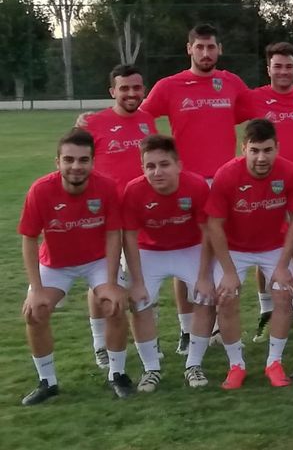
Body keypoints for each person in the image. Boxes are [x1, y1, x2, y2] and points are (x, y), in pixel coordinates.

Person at [139, 23, 249, 355]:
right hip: (184, 183)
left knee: (216, 253)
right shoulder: (169, 86)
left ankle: (212, 324)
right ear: (189, 49)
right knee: (185, 251)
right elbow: (138, 117)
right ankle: (188, 330)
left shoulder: (231, 83)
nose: (205, 53)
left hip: (224, 182)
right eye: (199, 47)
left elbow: (263, 104)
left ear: (219, 50)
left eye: (211, 47)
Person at [19, 128, 128, 405]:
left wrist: (113, 281)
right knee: (35, 312)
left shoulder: (106, 187)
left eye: (83, 160)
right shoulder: (41, 190)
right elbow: (30, 240)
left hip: (97, 260)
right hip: (56, 264)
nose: (76, 166)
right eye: (69, 160)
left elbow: (114, 234)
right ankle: (48, 382)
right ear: (58, 162)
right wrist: (37, 289)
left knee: (114, 304)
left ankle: (117, 374)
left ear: (93, 162)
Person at [192, 119, 293, 389]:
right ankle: (236, 365)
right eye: (254, 150)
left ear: (277, 147)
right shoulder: (227, 175)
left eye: (267, 150)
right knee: (226, 299)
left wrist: (283, 263)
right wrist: (229, 271)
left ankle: (274, 363)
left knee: (283, 295)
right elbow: (214, 225)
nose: (261, 157)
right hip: (235, 248)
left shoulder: (290, 172)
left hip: (273, 246)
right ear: (244, 149)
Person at [236, 41, 293, 344]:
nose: (283, 72)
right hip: (262, 187)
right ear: (268, 68)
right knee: (263, 250)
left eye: (289, 66)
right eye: (277, 66)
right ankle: (266, 310)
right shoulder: (252, 98)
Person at [78, 64, 157, 368]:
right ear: (112, 91)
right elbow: (75, 164)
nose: (131, 94)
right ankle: (100, 343)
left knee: (141, 278)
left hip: (140, 215)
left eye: (137, 88)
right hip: (104, 215)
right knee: (103, 280)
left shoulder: (148, 121)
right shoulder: (93, 124)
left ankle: (149, 341)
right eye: (124, 88)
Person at [121, 135, 214, 391]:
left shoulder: (196, 186)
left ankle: (193, 364)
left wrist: (205, 277)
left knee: (206, 296)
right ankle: (151, 368)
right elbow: (128, 237)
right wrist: (136, 281)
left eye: (164, 164)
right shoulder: (134, 190)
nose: (157, 172)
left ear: (178, 165)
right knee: (139, 301)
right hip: (149, 250)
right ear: (142, 168)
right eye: (150, 166)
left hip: (189, 248)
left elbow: (208, 232)